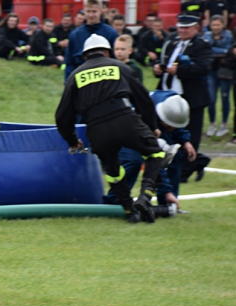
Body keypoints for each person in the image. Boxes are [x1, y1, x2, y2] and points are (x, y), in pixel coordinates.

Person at [56, 34, 164, 223]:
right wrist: (151, 127)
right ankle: (145, 197)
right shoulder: (121, 67)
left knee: (113, 172)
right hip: (125, 120)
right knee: (156, 154)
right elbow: (144, 100)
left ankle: (130, 212)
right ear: (107, 51)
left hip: (97, 129)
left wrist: (73, 141)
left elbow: (62, 117)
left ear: (84, 56)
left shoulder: (75, 76)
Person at [103, 92, 196, 213]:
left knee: (175, 156)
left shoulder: (173, 103)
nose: (172, 129)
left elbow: (176, 123)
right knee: (133, 161)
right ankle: (112, 202)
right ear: (161, 118)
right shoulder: (145, 114)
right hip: (125, 132)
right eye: (169, 126)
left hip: (148, 128)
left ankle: (168, 204)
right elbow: (155, 160)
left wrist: (185, 141)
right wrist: (166, 190)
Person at [153, 14, 212, 183]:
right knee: (169, 137)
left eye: (186, 28)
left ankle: (183, 174)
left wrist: (179, 71)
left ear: (196, 28)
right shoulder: (171, 43)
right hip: (168, 98)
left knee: (190, 137)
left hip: (191, 99)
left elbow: (203, 68)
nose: (182, 31)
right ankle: (198, 162)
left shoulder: (202, 45)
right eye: (180, 27)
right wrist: (158, 69)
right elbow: (164, 62)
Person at [64, 0, 118, 81]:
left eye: (94, 11)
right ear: (84, 11)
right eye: (88, 11)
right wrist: (68, 84)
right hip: (81, 80)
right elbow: (69, 63)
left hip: (105, 80)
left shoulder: (111, 33)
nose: (90, 15)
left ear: (101, 11)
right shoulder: (75, 35)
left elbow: (115, 60)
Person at [202, 15, 232, 138]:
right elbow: (206, 50)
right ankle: (212, 123)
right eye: (213, 25)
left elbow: (228, 51)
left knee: (225, 97)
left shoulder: (228, 35)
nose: (215, 27)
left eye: (218, 25)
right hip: (211, 71)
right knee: (211, 99)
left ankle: (224, 124)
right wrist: (219, 50)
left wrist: (214, 49)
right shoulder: (207, 35)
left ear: (223, 25)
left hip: (225, 71)